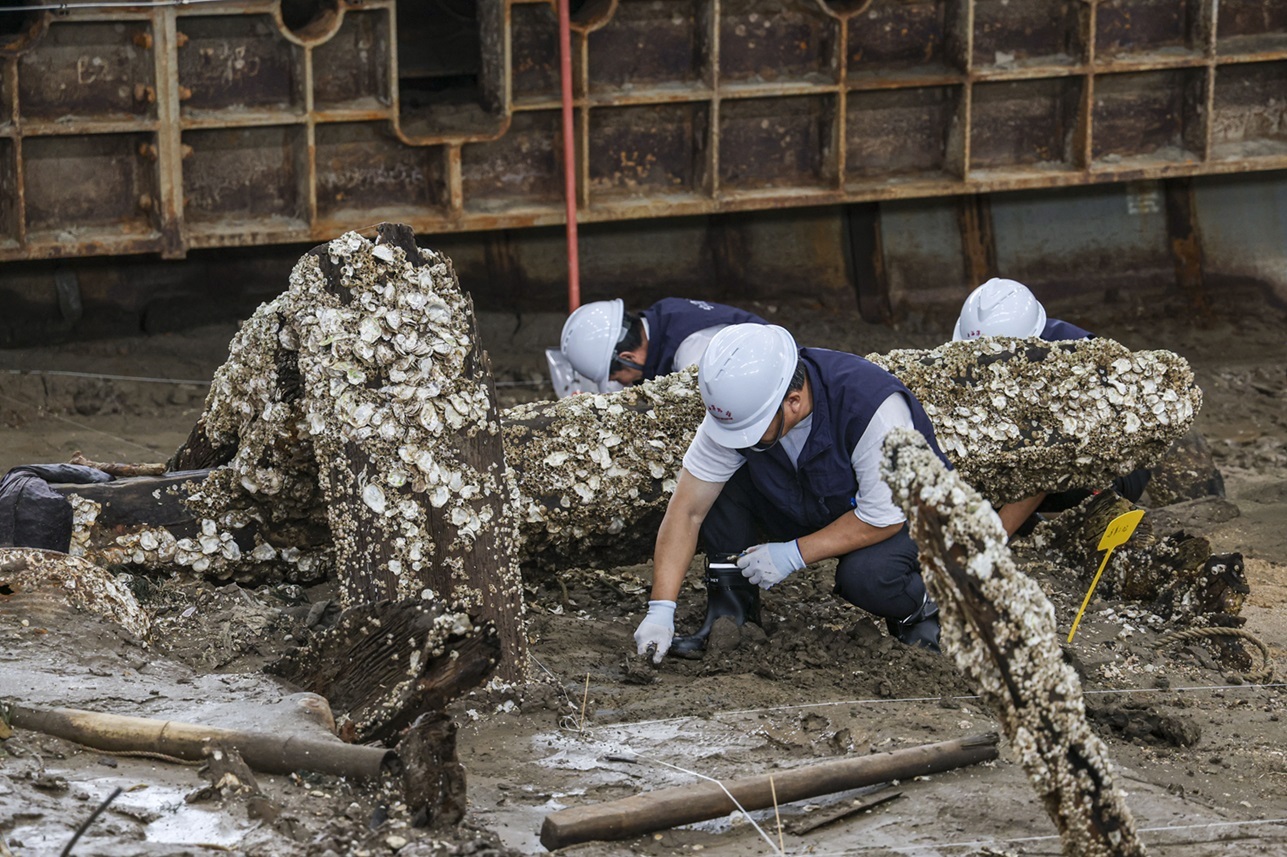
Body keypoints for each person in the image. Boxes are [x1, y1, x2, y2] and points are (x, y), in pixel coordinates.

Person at [632, 323, 950, 663]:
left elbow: (882, 519)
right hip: (811, 499)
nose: (740, 440)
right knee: (719, 490)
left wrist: (793, 554)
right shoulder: (742, 408)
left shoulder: (872, 408)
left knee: (866, 577)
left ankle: (923, 610)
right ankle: (731, 619)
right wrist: (660, 609)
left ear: (793, 402)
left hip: (907, 518)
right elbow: (687, 510)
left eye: (751, 431)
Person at [952, 277, 1150, 535]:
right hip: (1031, 458)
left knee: (1045, 459)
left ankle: (1056, 524)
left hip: (1113, 467)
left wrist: (993, 537)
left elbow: (1047, 461)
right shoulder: (975, 353)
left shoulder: (1077, 360)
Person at [550, 298, 767, 396]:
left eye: (616, 378)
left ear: (627, 357)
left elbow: (706, 413)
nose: (621, 384)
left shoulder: (693, 353)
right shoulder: (660, 319)